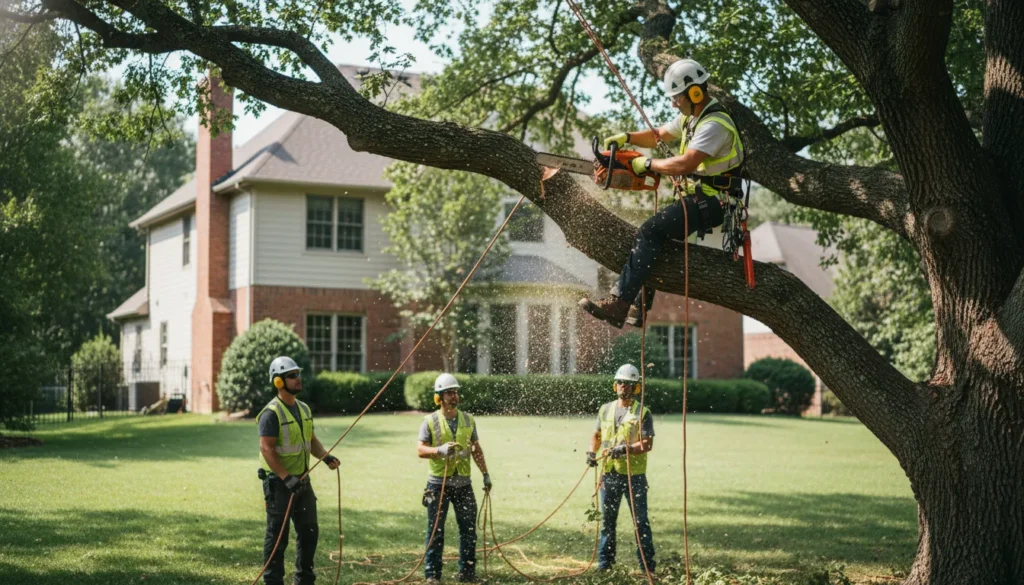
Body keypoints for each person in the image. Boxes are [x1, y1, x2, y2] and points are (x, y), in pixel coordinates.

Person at [579, 58, 746, 328]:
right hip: (702, 197)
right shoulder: (692, 118)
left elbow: (684, 164)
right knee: (657, 241)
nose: (673, 103)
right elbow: (659, 135)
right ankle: (638, 309)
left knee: (649, 231)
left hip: (717, 201)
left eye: (676, 97)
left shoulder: (714, 125)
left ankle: (620, 304)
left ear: (695, 92)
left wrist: (645, 164)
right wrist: (627, 137)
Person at [257, 356, 341, 585]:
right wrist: (286, 477)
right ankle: (273, 582)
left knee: (309, 532)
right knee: (277, 538)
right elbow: (267, 449)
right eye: (292, 376)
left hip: (302, 482)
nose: (298, 379)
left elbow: (310, 440)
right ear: (278, 382)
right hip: (279, 484)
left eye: (298, 374)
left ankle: (304, 580)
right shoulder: (270, 413)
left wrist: (325, 456)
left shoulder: (303, 409)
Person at [417, 373, 492, 584]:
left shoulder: (468, 420)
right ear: (439, 397)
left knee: (469, 531)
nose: (454, 396)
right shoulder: (429, 421)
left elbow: (476, 449)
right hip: (437, 485)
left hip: (464, 485)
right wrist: (439, 450)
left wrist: (485, 474)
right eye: (449, 393)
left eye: (456, 392)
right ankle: (432, 576)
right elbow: (420, 450)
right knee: (435, 532)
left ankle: (467, 573)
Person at [586, 364, 656, 573]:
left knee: (640, 523)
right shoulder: (605, 409)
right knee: (608, 522)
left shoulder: (642, 412)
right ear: (615, 385)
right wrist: (591, 452)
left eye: (629, 384)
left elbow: (647, 444)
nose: (623, 387)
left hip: (634, 476)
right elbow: (597, 435)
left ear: (636, 388)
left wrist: (626, 449)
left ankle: (647, 567)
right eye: (621, 383)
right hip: (609, 474)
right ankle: (605, 565)